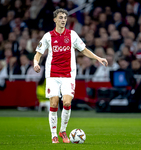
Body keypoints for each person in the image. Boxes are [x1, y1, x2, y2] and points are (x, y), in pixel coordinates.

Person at [33, 9, 108, 144]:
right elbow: (38, 53)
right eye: (60, 18)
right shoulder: (48, 36)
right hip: (52, 75)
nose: (63, 20)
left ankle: (63, 131)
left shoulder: (72, 35)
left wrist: (98, 58)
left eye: (65, 18)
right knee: (54, 103)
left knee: (67, 103)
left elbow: (83, 50)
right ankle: (53, 135)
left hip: (68, 75)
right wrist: (35, 63)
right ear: (55, 20)